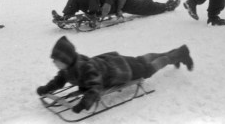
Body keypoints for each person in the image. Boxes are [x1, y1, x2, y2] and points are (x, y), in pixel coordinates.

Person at [36, 36, 193, 113]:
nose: (54, 63)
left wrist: (83, 104)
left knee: (148, 69)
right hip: (115, 63)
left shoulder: (85, 68)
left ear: (66, 59)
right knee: (141, 60)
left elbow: (95, 87)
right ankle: (175, 53)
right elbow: (60, 79)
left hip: (123, 70)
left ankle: (177, 54)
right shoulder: (68, 68)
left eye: (56, 60)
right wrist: (47, 88)